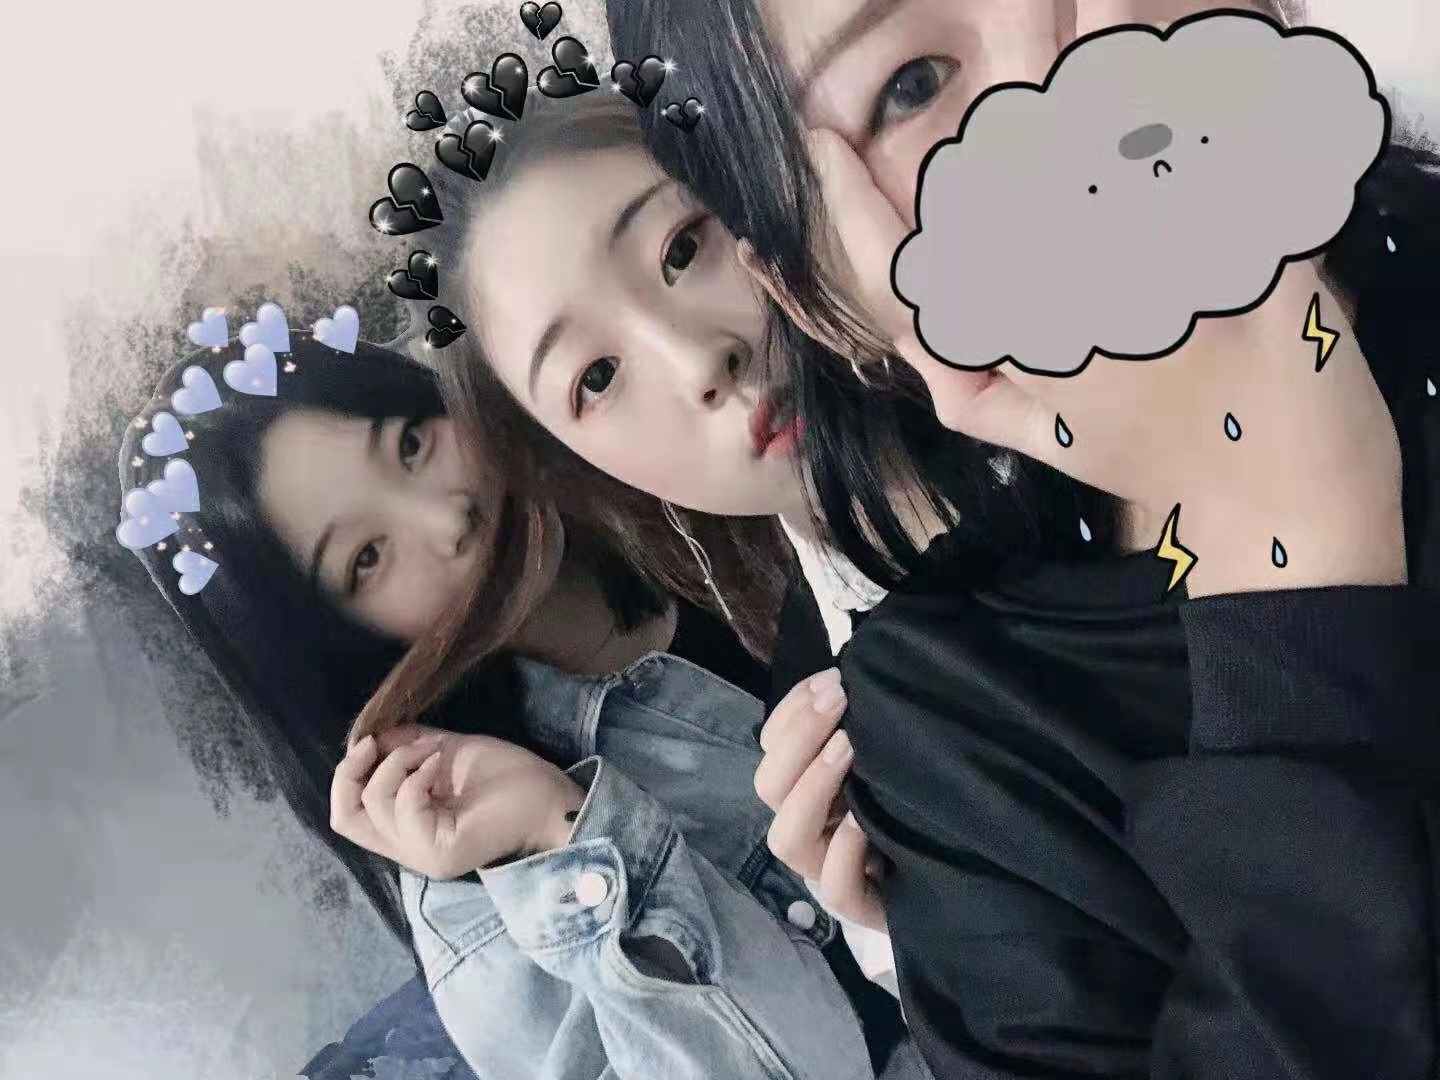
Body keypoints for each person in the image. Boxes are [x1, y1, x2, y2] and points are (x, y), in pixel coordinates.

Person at [412, 13, 1440, 1077]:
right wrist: (942, 940)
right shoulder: (867, 713)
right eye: (594, 378)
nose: (697, 360)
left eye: (683, 247)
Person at [115, 335, 925, 1079]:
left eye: (410, 444)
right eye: (366, 557)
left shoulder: (684, 465)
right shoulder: (477, 891)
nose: (448, 518)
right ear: (334, 641)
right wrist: (561, 834)